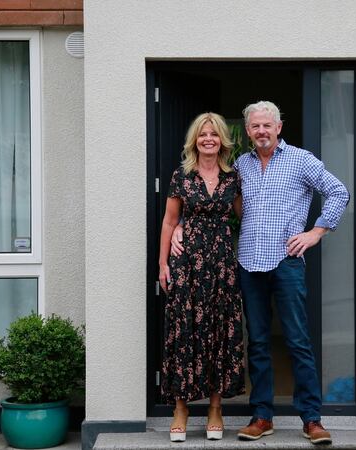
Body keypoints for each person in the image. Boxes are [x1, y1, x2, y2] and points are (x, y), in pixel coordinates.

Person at [172, 101, 349, 445]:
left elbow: (338, 191)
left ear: (279, 127)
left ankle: (311, 418)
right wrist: (180, 225)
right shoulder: (240, 166)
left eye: (267, 125)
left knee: (297, 341)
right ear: (248, 131)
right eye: (255, 127)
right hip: (249, 263)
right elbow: (212, 203)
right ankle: (262, 416)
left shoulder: (301, 160)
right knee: (257, 343)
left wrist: (316, 232)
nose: (262, 131)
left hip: (286, 262)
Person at [158, 112, 245, 443]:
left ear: (223, 140)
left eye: (214, 134)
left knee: (219, 333)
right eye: (202, 134)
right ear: (195, 140)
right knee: (185, 331)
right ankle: (181, 408)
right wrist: (163, 265)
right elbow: (169, 221)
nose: (208, 138)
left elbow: (245, 218)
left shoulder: (233, 178)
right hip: (187, 266)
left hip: (222, 267)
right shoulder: (182, 175)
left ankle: (215, 409)